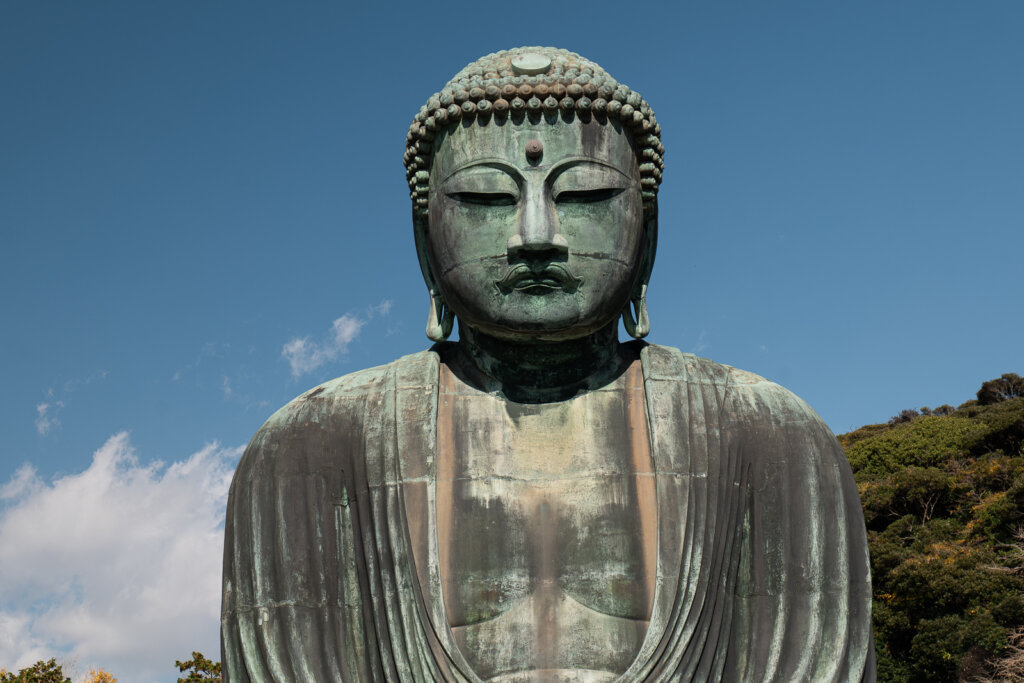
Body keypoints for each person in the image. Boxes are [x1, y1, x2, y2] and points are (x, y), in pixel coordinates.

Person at [221, 47, 876, 682]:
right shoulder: (310, 450)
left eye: (585, 194)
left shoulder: (769, 439)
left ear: (646, 227)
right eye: (485, 199)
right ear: (425, 234)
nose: (536, 234)